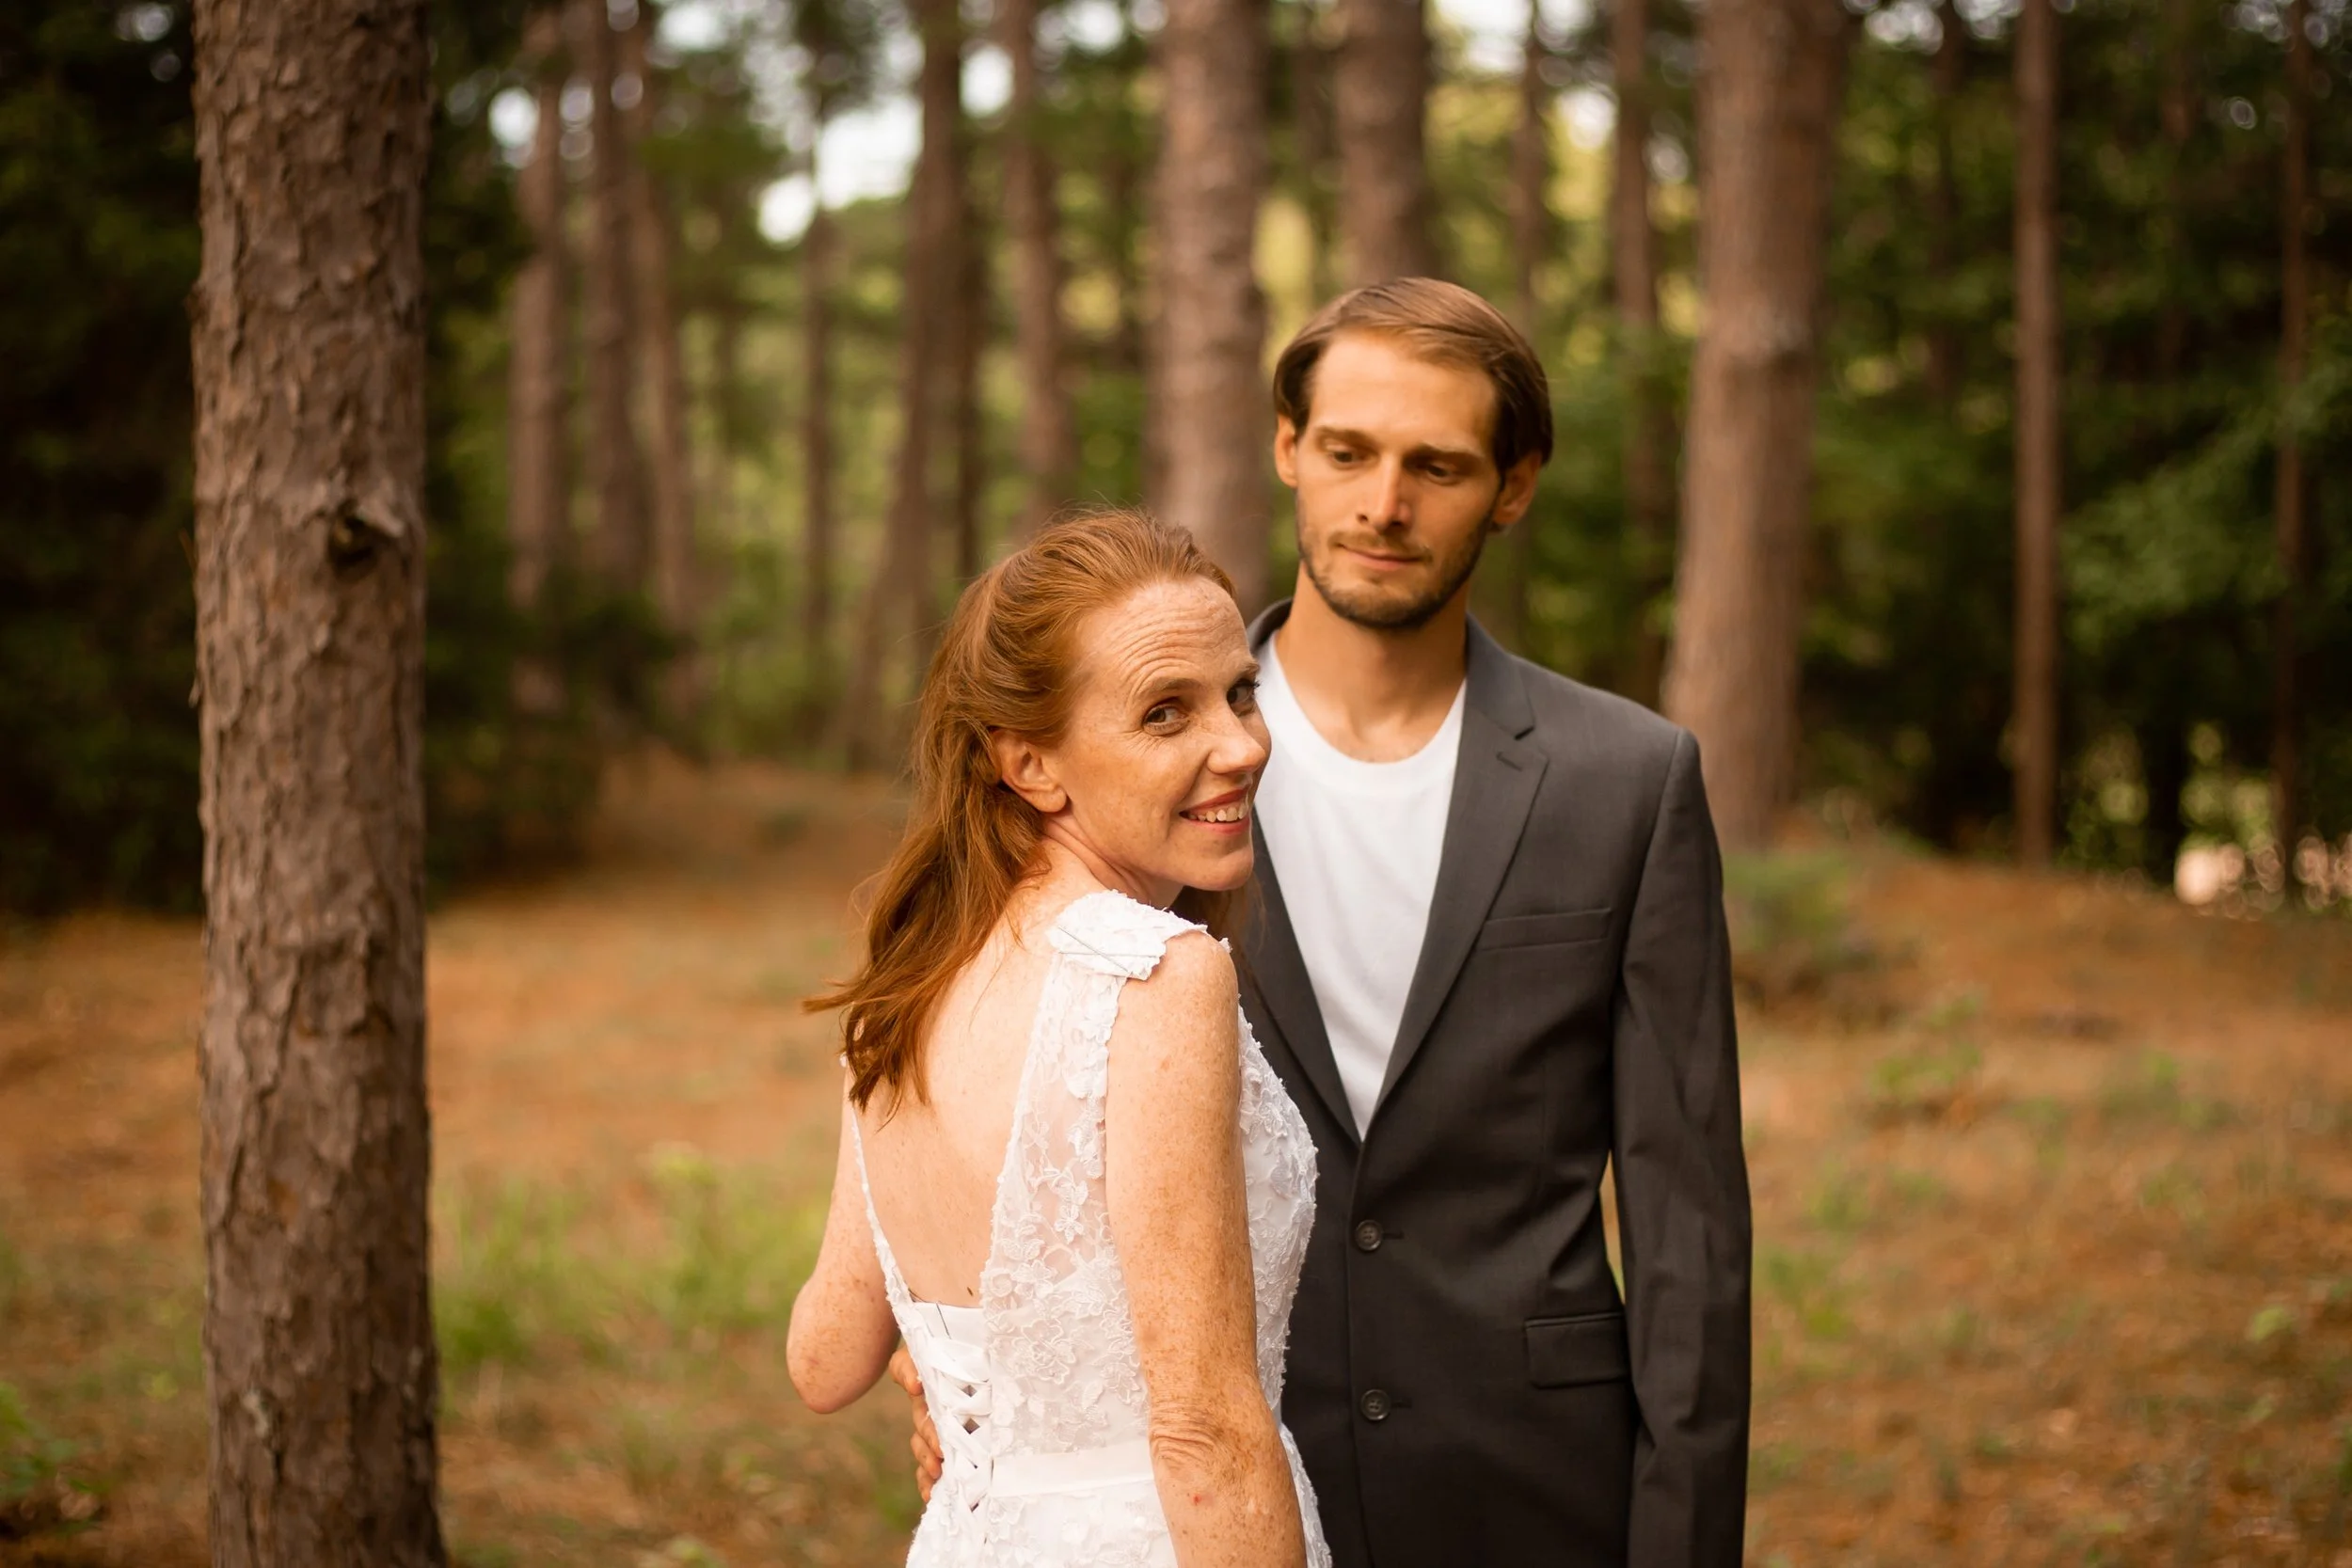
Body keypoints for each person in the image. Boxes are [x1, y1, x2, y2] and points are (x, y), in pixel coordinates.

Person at [903, 279, 1753, 1566]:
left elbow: (1691, 1231)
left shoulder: (1627, 779)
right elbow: (988, 1097)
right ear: (1288, 445)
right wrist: (963, 1370)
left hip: (1532, 1485)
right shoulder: (1128, 774)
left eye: (1438, 465)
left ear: (1514, 485)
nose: (1384, 503)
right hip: (1207, 1485)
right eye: (1349, 451)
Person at [786, 511, 1331, 1568]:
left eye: (1239, 692)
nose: (1242, 745)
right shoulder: (1154, 974)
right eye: (1165, 712)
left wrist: (980, 1390)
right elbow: (1203, 1432)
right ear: (1030, 764)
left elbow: (825, 1355)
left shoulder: (912, 977)